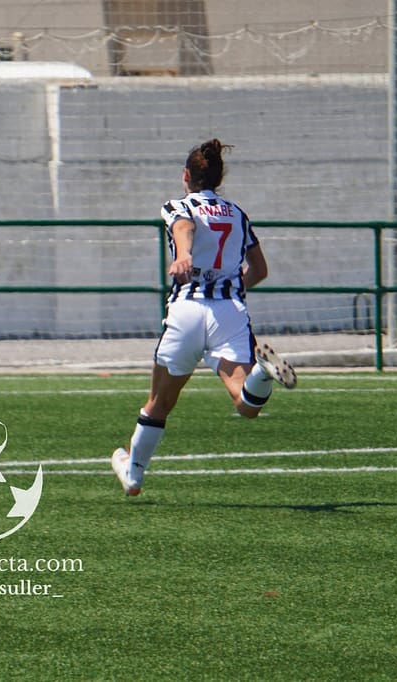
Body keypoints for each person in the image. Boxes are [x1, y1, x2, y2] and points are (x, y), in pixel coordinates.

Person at [112, 139, 296, 496]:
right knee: (245, 405)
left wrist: (183, 256)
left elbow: (185, 227)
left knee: (160, 403)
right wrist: (231, 286)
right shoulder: (237, 214)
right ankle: (261, 372)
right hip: (229, 313)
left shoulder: (178, 205)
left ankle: (134, 474)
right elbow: (259, 269)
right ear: (217, 178)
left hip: (188, 310)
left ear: (186, 176)